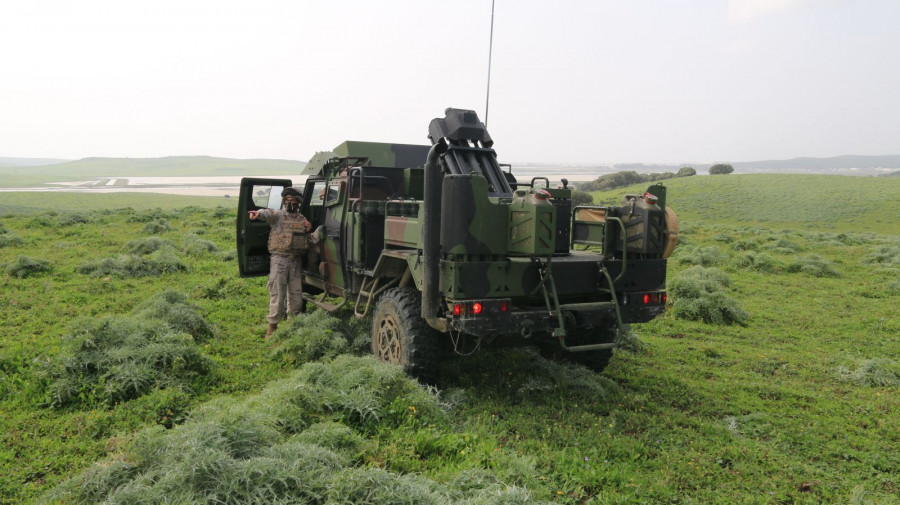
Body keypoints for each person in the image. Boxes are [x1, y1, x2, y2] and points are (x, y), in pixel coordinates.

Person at [248, 187, 312, 338]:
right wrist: (258, 214)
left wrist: (308, 229)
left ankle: (293, 325)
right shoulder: (277, 216)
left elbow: (306, 237)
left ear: (299, 202)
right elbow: (267, 213)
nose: (290, 203)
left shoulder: (302, 219)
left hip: (296, 261)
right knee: (278, 293)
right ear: (283, 202)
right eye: (287, 200)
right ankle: (272, 327)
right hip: (279, 260)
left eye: (293, 200)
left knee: (296, 295)